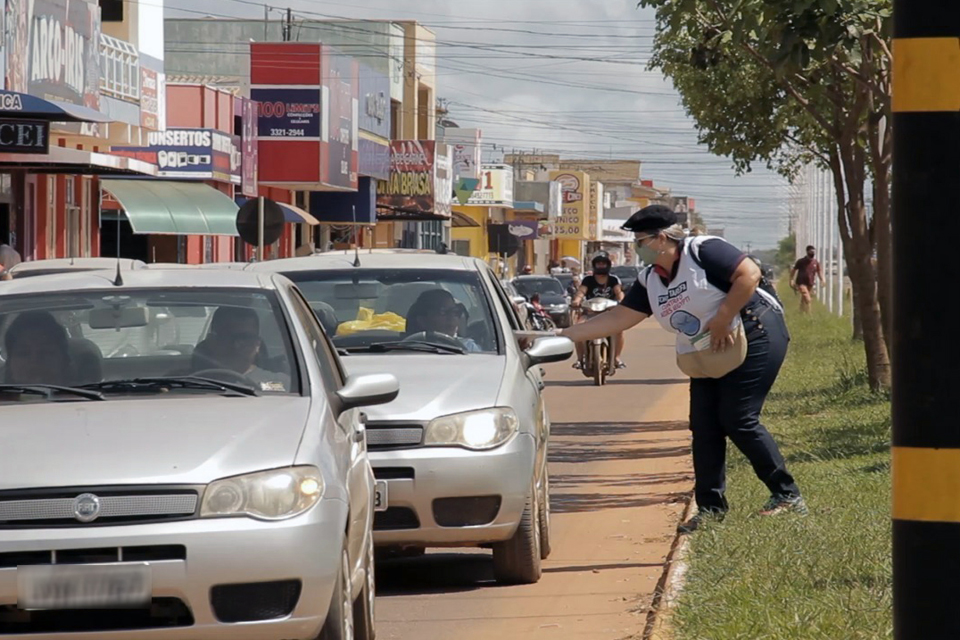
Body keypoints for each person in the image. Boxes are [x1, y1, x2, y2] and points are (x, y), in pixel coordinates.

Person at [560, 205, 804, 532]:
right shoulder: (650, 279)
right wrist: (564, 335)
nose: (638, 248)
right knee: (704, 425)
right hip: (706, 348)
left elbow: (748, 274)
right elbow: (619, 317)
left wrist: (722, 317)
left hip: (755, 330)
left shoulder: (703, 250)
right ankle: (711, 510)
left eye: (641, 241)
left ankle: (787, 495)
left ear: (661, 238)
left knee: (738, 417)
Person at [195, 307, 290, 391]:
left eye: (245, 338)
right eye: (227, 337)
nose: (236, 345)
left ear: (257, 344)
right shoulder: (191, 383)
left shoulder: (281, 385)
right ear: (212, 341)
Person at [570, 253, 626, 368]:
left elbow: (619, 292)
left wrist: (622, 301)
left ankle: (616, 358)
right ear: (594, 265)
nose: (601, 266)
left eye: (603, 263)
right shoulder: (588, 280)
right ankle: (580, 359)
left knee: (619, 331)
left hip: (609, 313)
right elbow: (581, 292)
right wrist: (577, 300)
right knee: (578, 328)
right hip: (590, 313)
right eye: (598, 264)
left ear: (608, 265)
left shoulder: (613, 279)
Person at [3, 311, 72, 386]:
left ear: (65, 361)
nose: (35, 360)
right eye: (24, 353)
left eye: (46, 352)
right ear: (9, 364)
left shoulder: (81, 391)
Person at [405, 289, 482, 352]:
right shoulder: (404, 350)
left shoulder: (469, 347)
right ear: (422, 321)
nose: (451, 317)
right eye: (443, 312)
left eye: (455, 312)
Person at [790, 245, 825, 314]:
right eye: (811, 252)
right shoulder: (801, 261)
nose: (812, 253)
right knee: (808, 299)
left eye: (813, 252)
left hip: (810, 283)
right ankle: (809, 314)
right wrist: (791, 280)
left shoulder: (815, 262)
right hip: (801, 283)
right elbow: (793, 270)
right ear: (807, 252)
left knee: (804, 299)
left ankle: (801, 313)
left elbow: (819, 271)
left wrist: (822, 280)